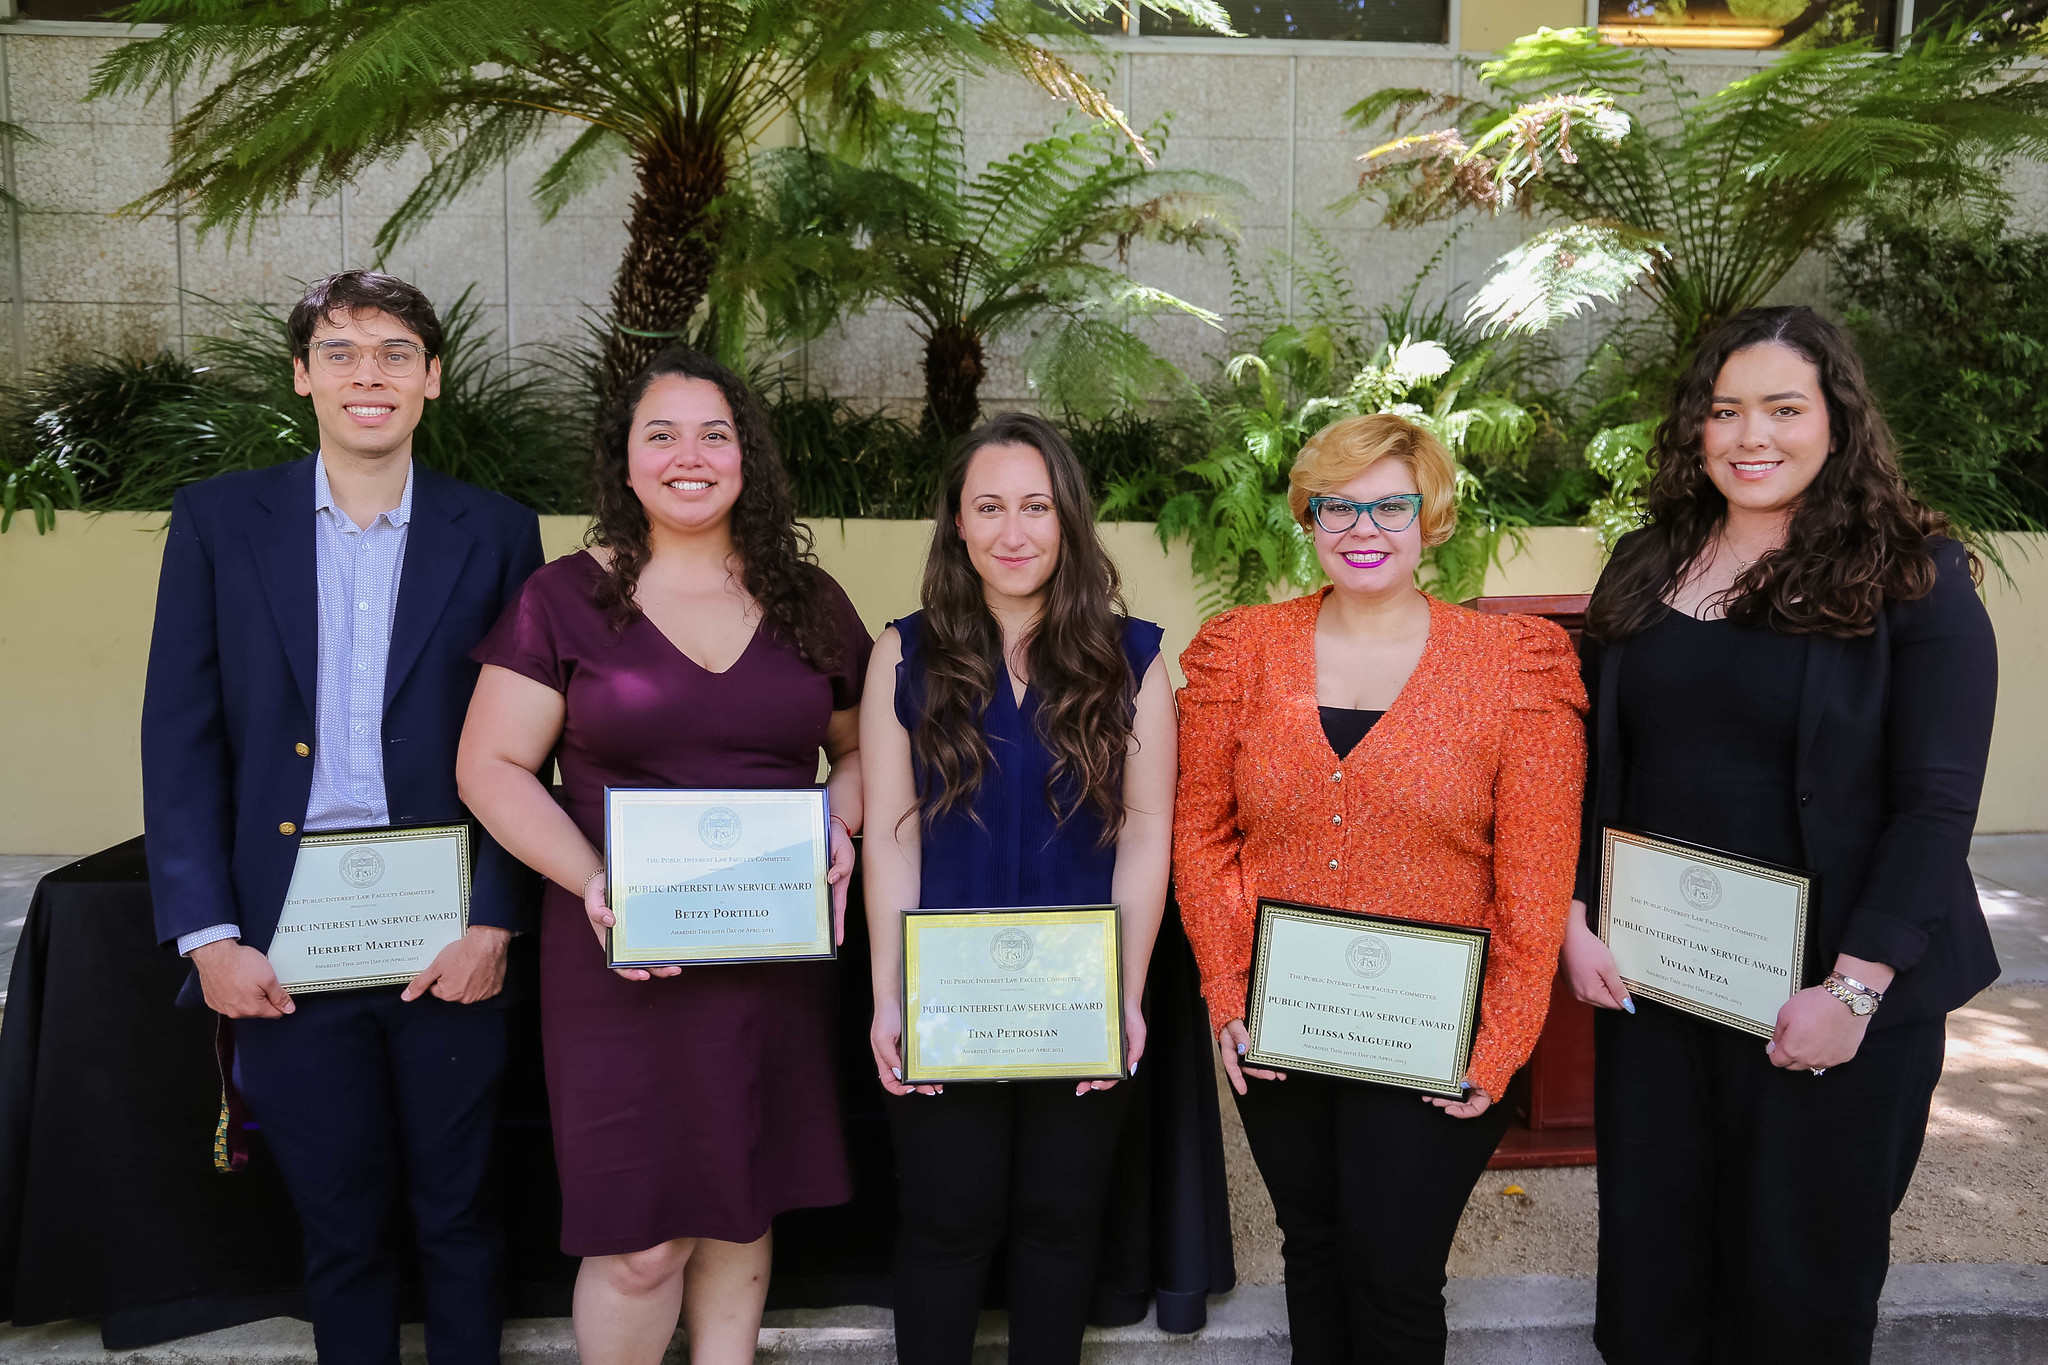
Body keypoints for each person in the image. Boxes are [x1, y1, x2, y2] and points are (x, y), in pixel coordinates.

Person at [1560, 306, 1999, 1364]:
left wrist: (1851, 992)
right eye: (1723, 411)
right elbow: (1586, 760)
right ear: (1693, 430)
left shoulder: (1914, 579)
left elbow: (1934, 803)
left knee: (1798, 1286)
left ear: (1836, 422)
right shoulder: (1642, 560)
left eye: (1781, 408)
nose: (1749, 436)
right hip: (1658, 988)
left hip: (1825, 1001)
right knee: (1653, 1276)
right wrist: (1571, 911)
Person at [141, 270, 544, 1365]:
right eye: (341, 351)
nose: (369, 374)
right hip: (284, 932)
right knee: (339, 1222)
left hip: (447, 929)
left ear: (434, 379)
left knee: (458, 1212)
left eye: (395, 352)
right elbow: (180, 738)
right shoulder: (222, 523)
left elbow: (529, 745)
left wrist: (497, 920)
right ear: (302, 376)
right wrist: (208, 935)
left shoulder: (499, 532)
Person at [454, 347, 868, 1365]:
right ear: (623, 462)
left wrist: (832, 823)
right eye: (662, 434)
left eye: (715, 434)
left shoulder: (810, 600)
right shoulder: (562, 600)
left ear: (747, 459)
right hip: (619, 961)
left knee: (740, 1201)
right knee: (639, 1244)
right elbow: (493, 768)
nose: (691, 456)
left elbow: (863, 757)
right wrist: (596, 884)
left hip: (767, 952)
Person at [1173, 412, 1587, 1363]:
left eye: (1389, 505)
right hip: (1282, 1016)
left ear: (1430, 514)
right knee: (1314, 1248)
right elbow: (1203, 835)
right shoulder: (1241, 650)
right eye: (1337, 507)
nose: (1363, 529)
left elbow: (1534, 872)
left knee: (1394, 1269)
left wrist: (1506, 1036)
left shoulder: (1513, 665)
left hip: (1433, 1026)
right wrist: (1228, 991)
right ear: (1307, 519)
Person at [860, 413, 1176, 1365]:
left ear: (1070, 520)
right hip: (946, 990)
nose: (1013, 530)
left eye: (1036, 506)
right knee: (945, 1222)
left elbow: (1147, 831)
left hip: (1078, 993)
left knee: (1058, 1221)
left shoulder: (1134, 659)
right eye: (988, 506)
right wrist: (890, 991)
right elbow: (892, 833)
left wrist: (1123, 989)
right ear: (957, 524)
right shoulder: (905, 654)